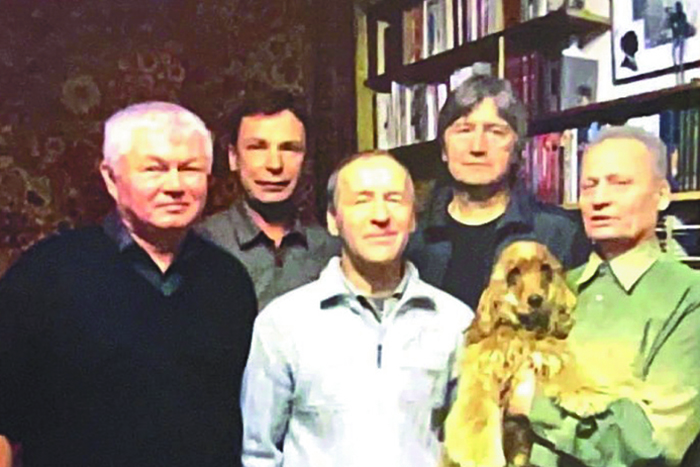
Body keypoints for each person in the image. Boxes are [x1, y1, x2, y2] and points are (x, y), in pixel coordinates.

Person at [0, 102, 257, 467]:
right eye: (154, 169)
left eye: (190, 169)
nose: (175, 186)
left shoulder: (229, 281)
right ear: (111, 178)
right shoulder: (44, 275)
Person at [241, 151, 473, 467]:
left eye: (394, 199)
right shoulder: (283, 324)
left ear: (413, 218)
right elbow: (259, 454)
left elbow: (471, 446)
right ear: (332, 220)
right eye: (362, 201)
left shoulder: (455, 323)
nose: (381, 215)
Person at [510, 126, 700, 467]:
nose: (599, 199)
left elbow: (653, 445)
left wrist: (534, 404)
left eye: (620, 183)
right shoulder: (556, 288)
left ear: (661, 195)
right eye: (589, 185)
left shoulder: (687, 296)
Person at [407, 75, 590, 310]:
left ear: (517, 149)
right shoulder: (412, 237)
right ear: (443, 148)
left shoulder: (561, 233)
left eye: (495, 132)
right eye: (464, 130)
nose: (477, 147)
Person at [198, 88, 338, 310]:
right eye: (257, 147)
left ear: (305, 159)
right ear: (233, 158)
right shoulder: (202, 245)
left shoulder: (332, 250)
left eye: (289, 148)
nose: (275, 164)